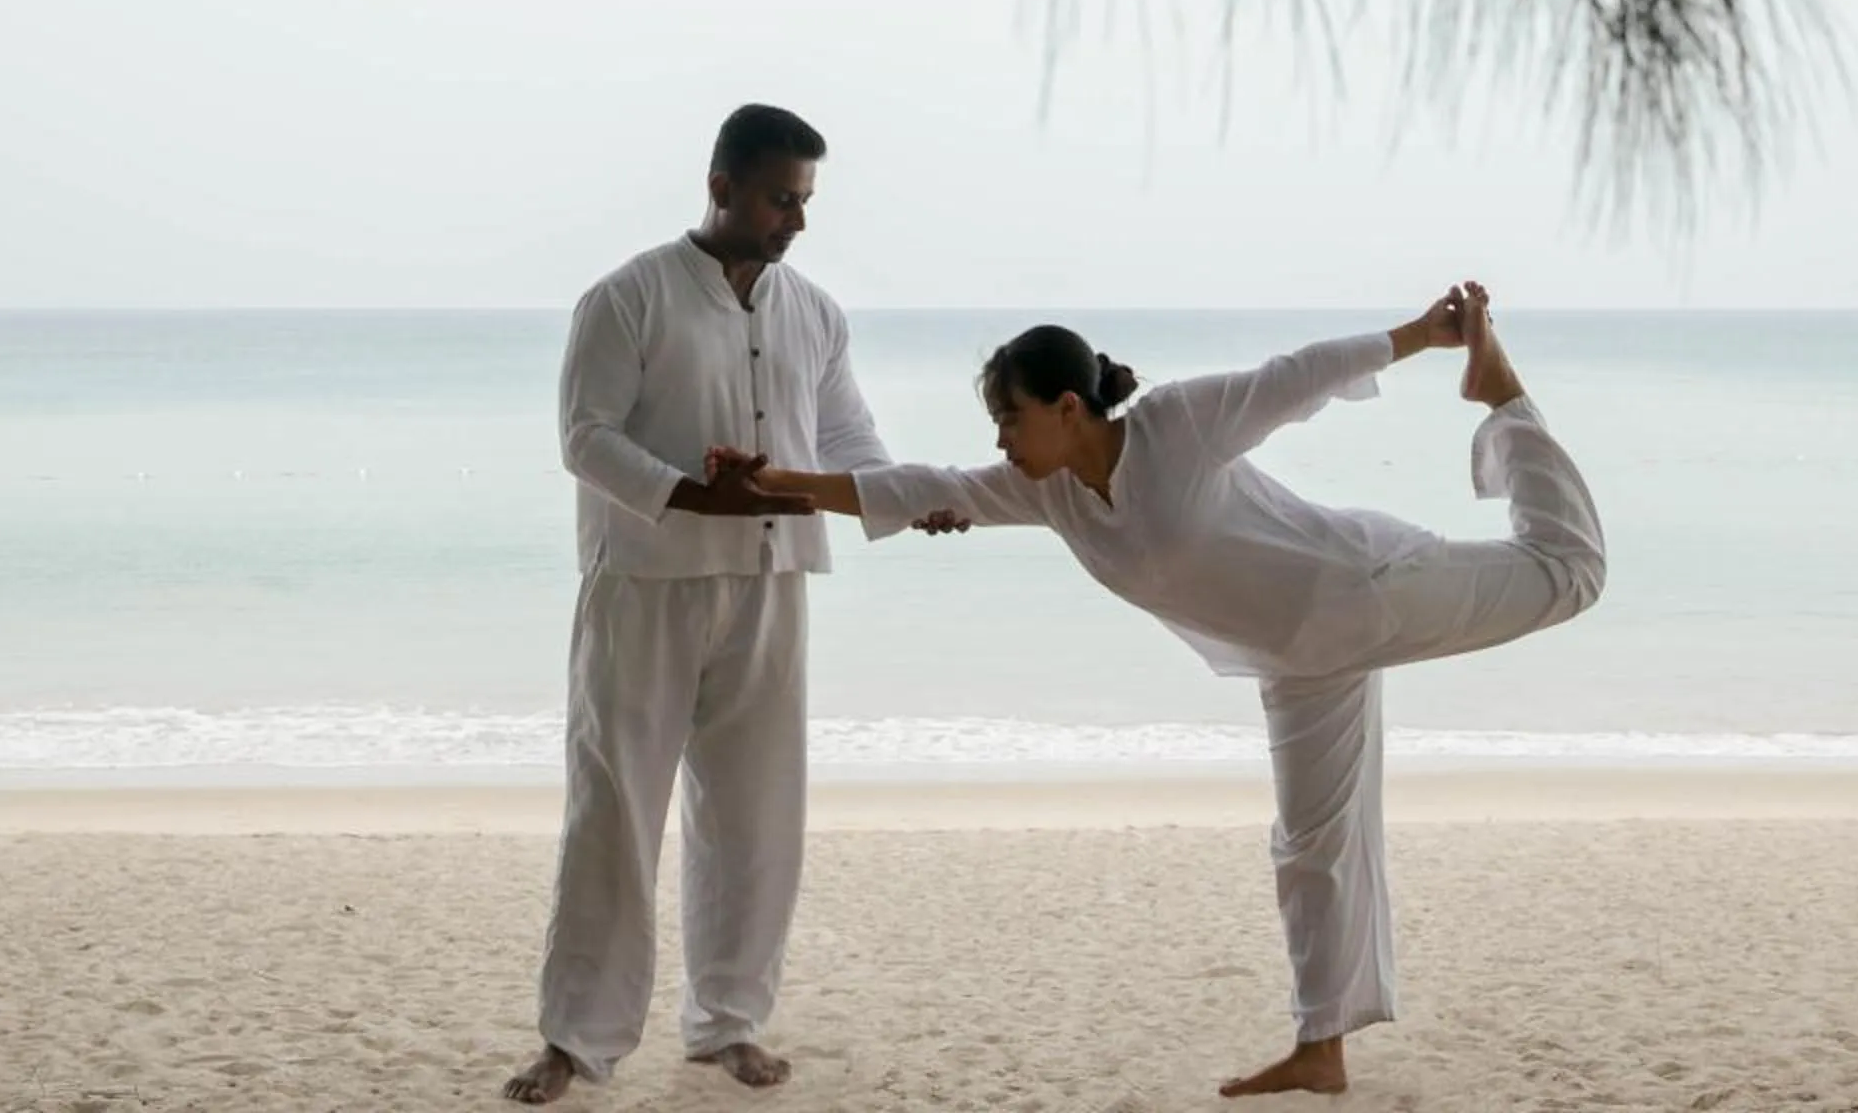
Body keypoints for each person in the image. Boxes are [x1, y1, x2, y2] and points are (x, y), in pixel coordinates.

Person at [725, 281, 1606, 1098]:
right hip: (1295, 660)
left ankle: (1504, 397)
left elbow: (1293, 379)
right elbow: (923, 486)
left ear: (1068, 408)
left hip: (1368, 592)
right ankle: (1322, 1046)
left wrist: (1421, 336)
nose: (999, 440)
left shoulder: (1176, 426)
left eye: (1008, 418)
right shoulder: (1053, 493)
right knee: (1310, 845)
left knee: (1570, 573)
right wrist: (779, 484)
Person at [506, 104, 955, 1105]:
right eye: (779, 198)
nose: (795, 219)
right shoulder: (626, 296)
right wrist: (689, 490)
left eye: (804, 201)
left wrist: (908, 501)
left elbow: (847, 437)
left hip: (773, 578)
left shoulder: (816, 311)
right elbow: (585, 435)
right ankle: (577, 1038)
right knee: (614, 810)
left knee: (757, 817)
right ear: (721, 185)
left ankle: (726, 1023)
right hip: (645, 581)